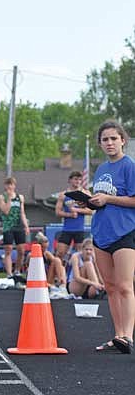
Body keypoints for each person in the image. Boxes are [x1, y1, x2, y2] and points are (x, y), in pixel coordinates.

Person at [87, 120, 135, 354]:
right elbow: (101, 201)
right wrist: (89, 201)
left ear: (123, 140)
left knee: (125, 285)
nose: (109, 143)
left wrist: (107, 199)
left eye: (113, 138)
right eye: (105, 139)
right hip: (101, 233)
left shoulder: (129, 166)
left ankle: (128, 335)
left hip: (124, 232)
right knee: (111, 287)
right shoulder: (101, 169)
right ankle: (117, 336)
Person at [55, 171, 93, 262]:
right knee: (59, 253)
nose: (78, 181)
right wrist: (69, 214)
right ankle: (61, 273)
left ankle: (80, 273)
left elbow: (90, 211)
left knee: (81, 254)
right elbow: (57, 212)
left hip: (79, 229)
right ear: (70, 180)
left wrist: (77, 210)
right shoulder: (63, 195)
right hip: (67, 229)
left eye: (80, 179)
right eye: (76, 179)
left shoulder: (85, 193)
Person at [0, 177, 30, 277]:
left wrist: (26, 226)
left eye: (11, 184)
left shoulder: (20, 197)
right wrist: (9, 199)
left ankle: (17, 270)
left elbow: (22, 212)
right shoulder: (1, 197)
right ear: (5, 186)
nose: (9, 187)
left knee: (21, 250)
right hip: (8, 226)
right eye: (7, 184)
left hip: (18, 225)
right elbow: (5, 211)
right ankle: (9, 273)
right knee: (8, 249)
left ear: (14, 186)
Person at [34, 232, 68, 298]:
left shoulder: (47, 254)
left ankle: (62, 286)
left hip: (47, 278)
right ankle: (58, 286)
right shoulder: (31, 255)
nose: (44, 250)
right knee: (58, 262)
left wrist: (59, 276)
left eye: (46, 248)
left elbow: (58, 264)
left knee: (58, 262)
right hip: (38, 279)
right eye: (43, 248)